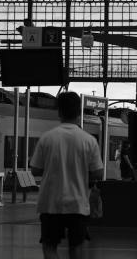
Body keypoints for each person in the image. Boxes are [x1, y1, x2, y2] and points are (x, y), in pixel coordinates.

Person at [30, 92, 104, 259]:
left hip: (50, 203)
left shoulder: (47, 138)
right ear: (79, 112)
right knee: (76, 248)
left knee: (49, 247)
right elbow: (98, 172)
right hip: (78, 203)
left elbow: (35, 170)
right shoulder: (89, 140)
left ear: (59, 112)